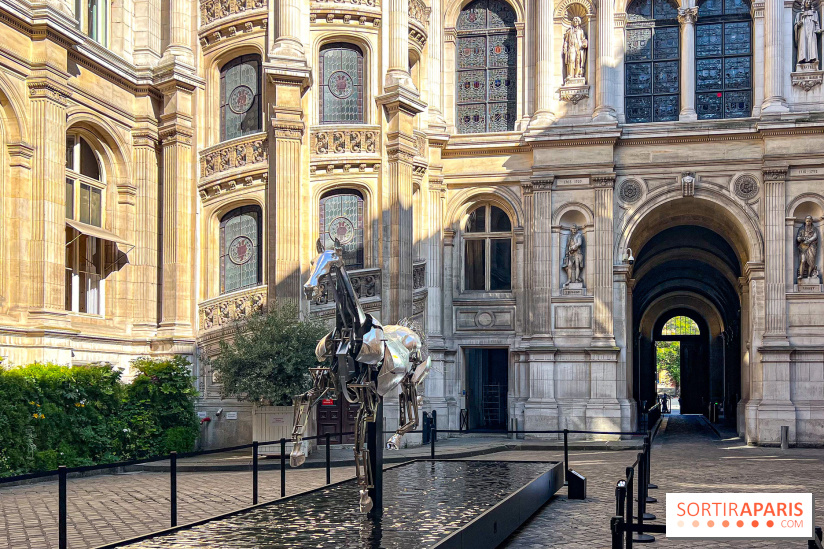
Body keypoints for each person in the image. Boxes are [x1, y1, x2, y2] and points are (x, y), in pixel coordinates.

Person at [795, 0, 821, 67]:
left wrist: (818, 29)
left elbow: (817, 23)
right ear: (804, 3)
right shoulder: (799, 14)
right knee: (803, 43)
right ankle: (803, 59)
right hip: (803, 31)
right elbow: (796, 25)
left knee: (811, 43)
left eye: (809, 2)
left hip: (812, 31)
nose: (808, 3)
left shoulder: (814, 13)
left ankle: (813, 59)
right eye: (807, 2)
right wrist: (798, 24)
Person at [563, 17, 588, 82]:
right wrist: (565, 47)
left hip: (579, 47)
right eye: (574, 21)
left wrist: (584, 43)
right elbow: (566, 41)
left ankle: (577, 74)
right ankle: (570, 75)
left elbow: (583, 39)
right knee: (571, 59)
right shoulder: (569, 31)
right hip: (572, 47)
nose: (575, 22)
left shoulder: (581, 31)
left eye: (577, 21)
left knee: (578, 61)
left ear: (579, 22)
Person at [797, 215, 819, 280]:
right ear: (805, 221)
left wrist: (809, 240)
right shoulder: (801, 229)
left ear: (811, 221)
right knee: (803, 260)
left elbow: (815, 236)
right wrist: (803, 238)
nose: (808, 222)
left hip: (812, 246)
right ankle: (801, 275)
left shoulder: (814, 229)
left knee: (811, 261)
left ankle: (809, 275)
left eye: (809, 221)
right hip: (804, 246)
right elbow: (798, 238)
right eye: (807, 221)